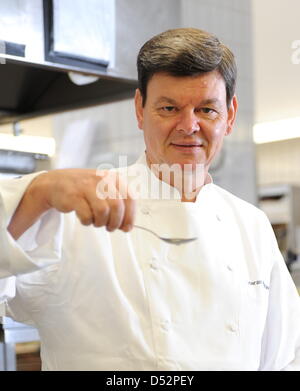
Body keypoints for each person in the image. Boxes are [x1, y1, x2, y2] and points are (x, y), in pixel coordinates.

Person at [0, 28, 300, 371]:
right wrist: (39, 193)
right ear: (140, 109)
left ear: (230, 115)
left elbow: (286, 358)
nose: (188, 126)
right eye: (169, 107)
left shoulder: (251, 225)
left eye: (206, 110)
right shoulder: (75, 212)